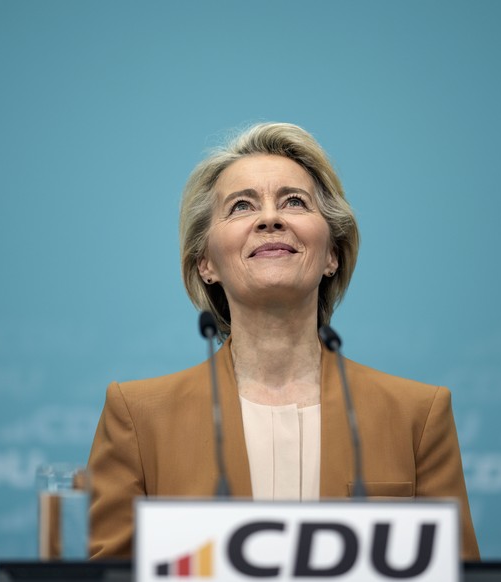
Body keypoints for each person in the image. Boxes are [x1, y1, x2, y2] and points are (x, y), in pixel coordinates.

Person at [87, 122, 480, 560]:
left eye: (294, 202)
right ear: (205, 263)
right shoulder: (139, 419)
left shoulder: (417, 416)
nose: (270, 218)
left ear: (332, 253)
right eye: (241, 206)